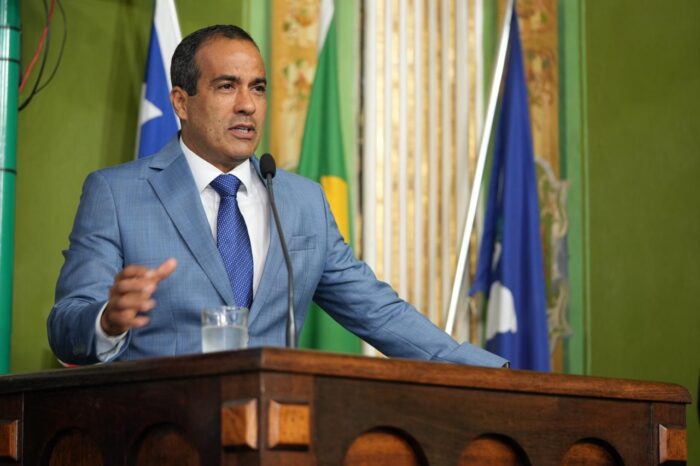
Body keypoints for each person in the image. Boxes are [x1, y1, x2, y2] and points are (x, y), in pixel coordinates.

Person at [48, 25, 507, 368]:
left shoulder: (302, 202)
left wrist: (489, 371)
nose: (247, 105)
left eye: (258, 88)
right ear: (181, 102)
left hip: (275, 434)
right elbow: (64, 326)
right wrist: (107, 320)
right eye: (226, 86)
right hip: (163, 434)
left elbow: (378, 313)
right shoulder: (117, 194)